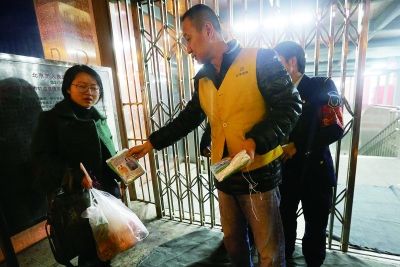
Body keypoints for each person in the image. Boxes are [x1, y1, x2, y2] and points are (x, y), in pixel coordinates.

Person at [128, 4, 302, 266]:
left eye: (188, 38)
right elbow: (188, 119)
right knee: (233, 241)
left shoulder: (261, 60)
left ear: (208, 30)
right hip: (224, 172)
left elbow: (291, 105)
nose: (187, 48)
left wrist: (256, 140)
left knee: (269, 250)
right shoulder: (203, 78)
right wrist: (151, 143)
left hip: (260, 175)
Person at [32, 65, 122, 267]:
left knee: (107, 247)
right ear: (67, 89)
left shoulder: (98, 117)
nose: (89, 92)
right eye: (81, 86)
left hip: (105, 194)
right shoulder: (52, 120)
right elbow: (41, 159)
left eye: (94, 87)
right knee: (89, 251)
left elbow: (107, 154)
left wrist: (122, 169)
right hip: (77, 199)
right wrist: (72, 174)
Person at [274, 41, 344, 267]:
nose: (274, 69)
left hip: (316, 171)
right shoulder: (276, 93)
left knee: (315, 228)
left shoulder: (322, 86)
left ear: (291, 62)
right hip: (285, 172)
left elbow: (334, 127)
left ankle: (314, 262)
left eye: (278, 62)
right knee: (284, 224)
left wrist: (297, 145)